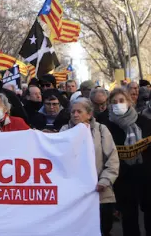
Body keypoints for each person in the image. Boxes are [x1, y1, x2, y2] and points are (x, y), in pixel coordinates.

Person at [59, 98, 119, 235]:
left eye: (79, 111)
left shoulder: (101, 130)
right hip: (74, 194)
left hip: (100, 192)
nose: (75, 115)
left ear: (89, 114)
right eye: (73, 111)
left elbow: (112, 158)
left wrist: (105, 181)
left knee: (103, 228)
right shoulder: (64, 130)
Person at [105, 87, 151, 236]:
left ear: (129, 102)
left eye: (121, 101)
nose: (118, 104)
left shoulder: (145, 122)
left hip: (146, 176)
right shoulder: (107, 127)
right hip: (123, 178)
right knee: (129, 217)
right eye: (114, 102)